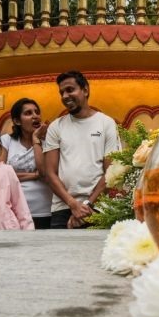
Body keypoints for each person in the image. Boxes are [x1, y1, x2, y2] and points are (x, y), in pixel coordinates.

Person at [43, 71, 120, 229]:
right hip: (62, 207)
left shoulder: (106, 123)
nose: (65, 96)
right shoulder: (56, 127)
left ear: (85, 90)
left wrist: (87, 205)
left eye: (70, 90)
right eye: (62, 92)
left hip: (98, 206)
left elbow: (111, 172)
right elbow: (50, 173)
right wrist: (73, 204)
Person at [0, 98, 53, 229]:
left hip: (45, 209)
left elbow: (45, 174)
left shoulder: (49, 142)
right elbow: (0, 175)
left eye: (37, 112)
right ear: (17, 121)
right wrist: (35, 175)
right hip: (15, 211)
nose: (35, 116)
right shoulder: (7, 141)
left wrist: (36, 140)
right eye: (28, 113)